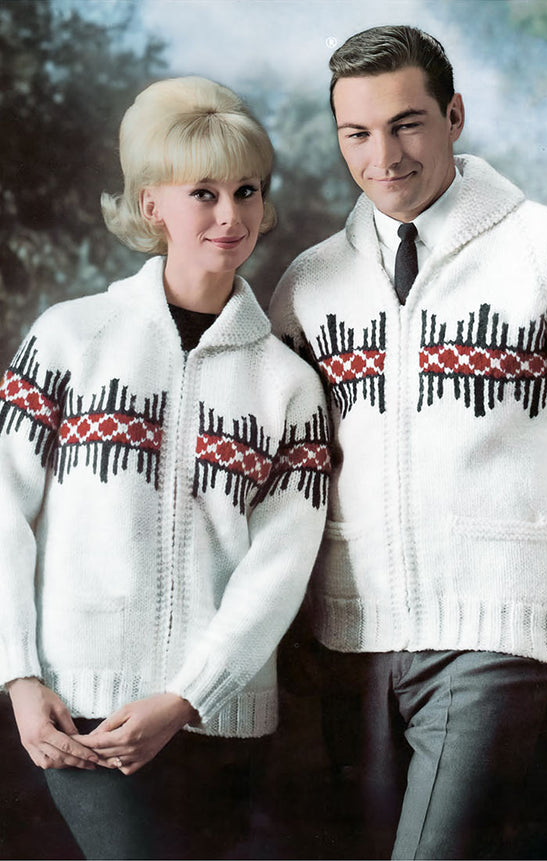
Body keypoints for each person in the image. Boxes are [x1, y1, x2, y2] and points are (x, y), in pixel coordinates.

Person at [269, 25, 547, 860]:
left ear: (454, 115)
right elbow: (285, 469)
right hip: (351, 636)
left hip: (499, 628)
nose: (383, 157)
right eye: (357, 133)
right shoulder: (310, 282)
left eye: (407, 124)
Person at [0, 76, 330, 860]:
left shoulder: (289, 384)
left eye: (246, 191)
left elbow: (281, 563)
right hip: (76, 705)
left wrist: (187, 696)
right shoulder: (68, 339)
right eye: (203, 193)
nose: (231, 216)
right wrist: (18, 675)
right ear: (152, 204)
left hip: (219, 718)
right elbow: (4, 508)